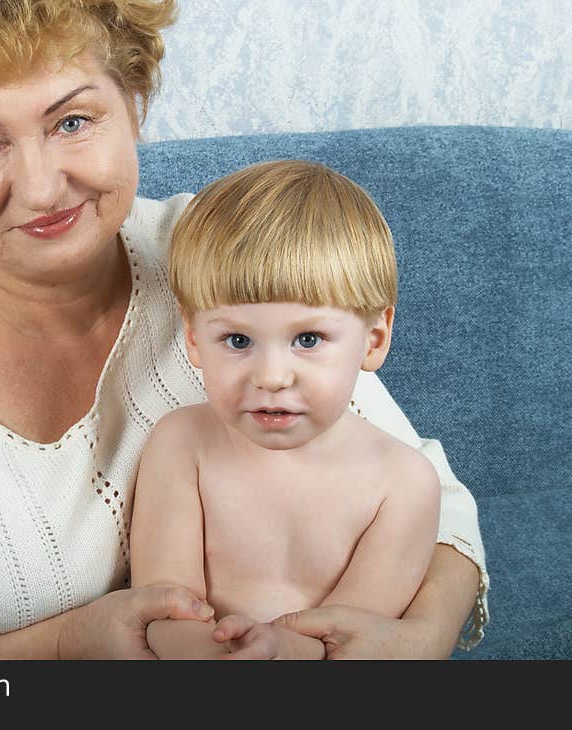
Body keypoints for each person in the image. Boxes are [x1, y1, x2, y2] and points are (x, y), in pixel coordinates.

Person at [0, 0, 487, 660]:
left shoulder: (222, 265)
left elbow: (425, 494)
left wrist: (422, 633)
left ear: (135, 102)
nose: (44, 186)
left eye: (73, 121)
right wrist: (55, 650)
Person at [131, 160, 441, 659]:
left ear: (374, 340)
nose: (272, 376)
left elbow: (355, 635)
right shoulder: (181, 443)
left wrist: (281, 651)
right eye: (237, 340)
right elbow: (163, 605)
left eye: (308, 338)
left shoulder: (404, 484)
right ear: (193, 339)